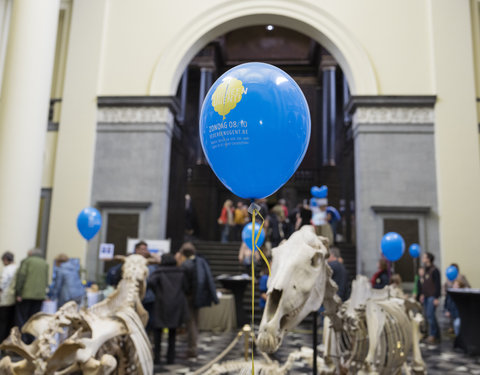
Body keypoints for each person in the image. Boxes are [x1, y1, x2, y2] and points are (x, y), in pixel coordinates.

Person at [177, 242, 218, 358]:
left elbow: (184, 284)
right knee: (195, 322)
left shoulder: (186, 265)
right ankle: (193, 345)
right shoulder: (200, 261)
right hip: (198, 296)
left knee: (190, 323)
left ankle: (192, 348)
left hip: (189, 297)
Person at [148, 253, 187, 365]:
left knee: (157, 334)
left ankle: (157, 358)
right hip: (176, 305)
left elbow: (150, 282)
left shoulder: (159, 271)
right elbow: (186, 286)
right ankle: (170, 358)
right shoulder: (181, 272)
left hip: (160, 304)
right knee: (172, 334)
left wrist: (157, 291)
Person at [14, 248, 49, 344]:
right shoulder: (44, 263)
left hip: (26, 294)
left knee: (22, 318)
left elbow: (21, 277)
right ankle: (31, 340)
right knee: (34, 318)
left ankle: (22, 340)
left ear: (30, 254)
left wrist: (18, 293)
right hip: (40, 296)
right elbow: (46, 280)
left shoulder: (27, 261)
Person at [419, 252, 441, 344]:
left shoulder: (434, 270)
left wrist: (436, 297)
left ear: (428, 259)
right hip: (426, 296)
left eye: (424, 257)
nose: (423, 258)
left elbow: (437, 285)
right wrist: (422, 294)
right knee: (429, 316)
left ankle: (433, 335)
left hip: (432, 297)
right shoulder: (426, 270)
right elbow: (425, 284)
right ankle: (436, 334)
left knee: (430, 316)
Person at [0, 251, 18, 343]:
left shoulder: (6, 269)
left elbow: (2, 282)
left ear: (5, 260)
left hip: (5, 299)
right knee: (11, 322)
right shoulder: (17, 268)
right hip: (13, 299)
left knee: (3, 322)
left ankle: (1, 342)